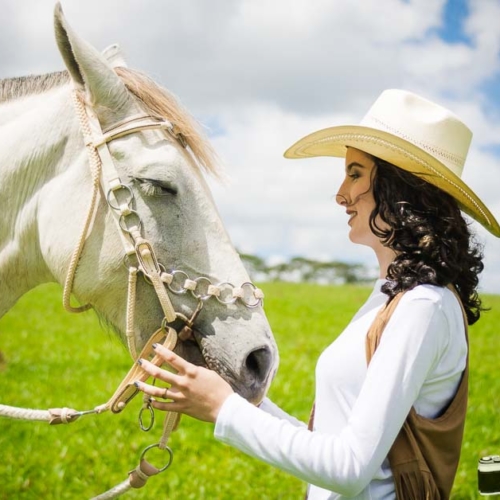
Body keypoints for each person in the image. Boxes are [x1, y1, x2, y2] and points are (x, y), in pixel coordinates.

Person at [135, 89, 500, 499]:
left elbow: (348, 469)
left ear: (403, 189)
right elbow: (327, 450)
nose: (341, 193)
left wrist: (224, 408)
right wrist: (233, 393)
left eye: (356, 173)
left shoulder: (424, 307)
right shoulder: (391, 299)